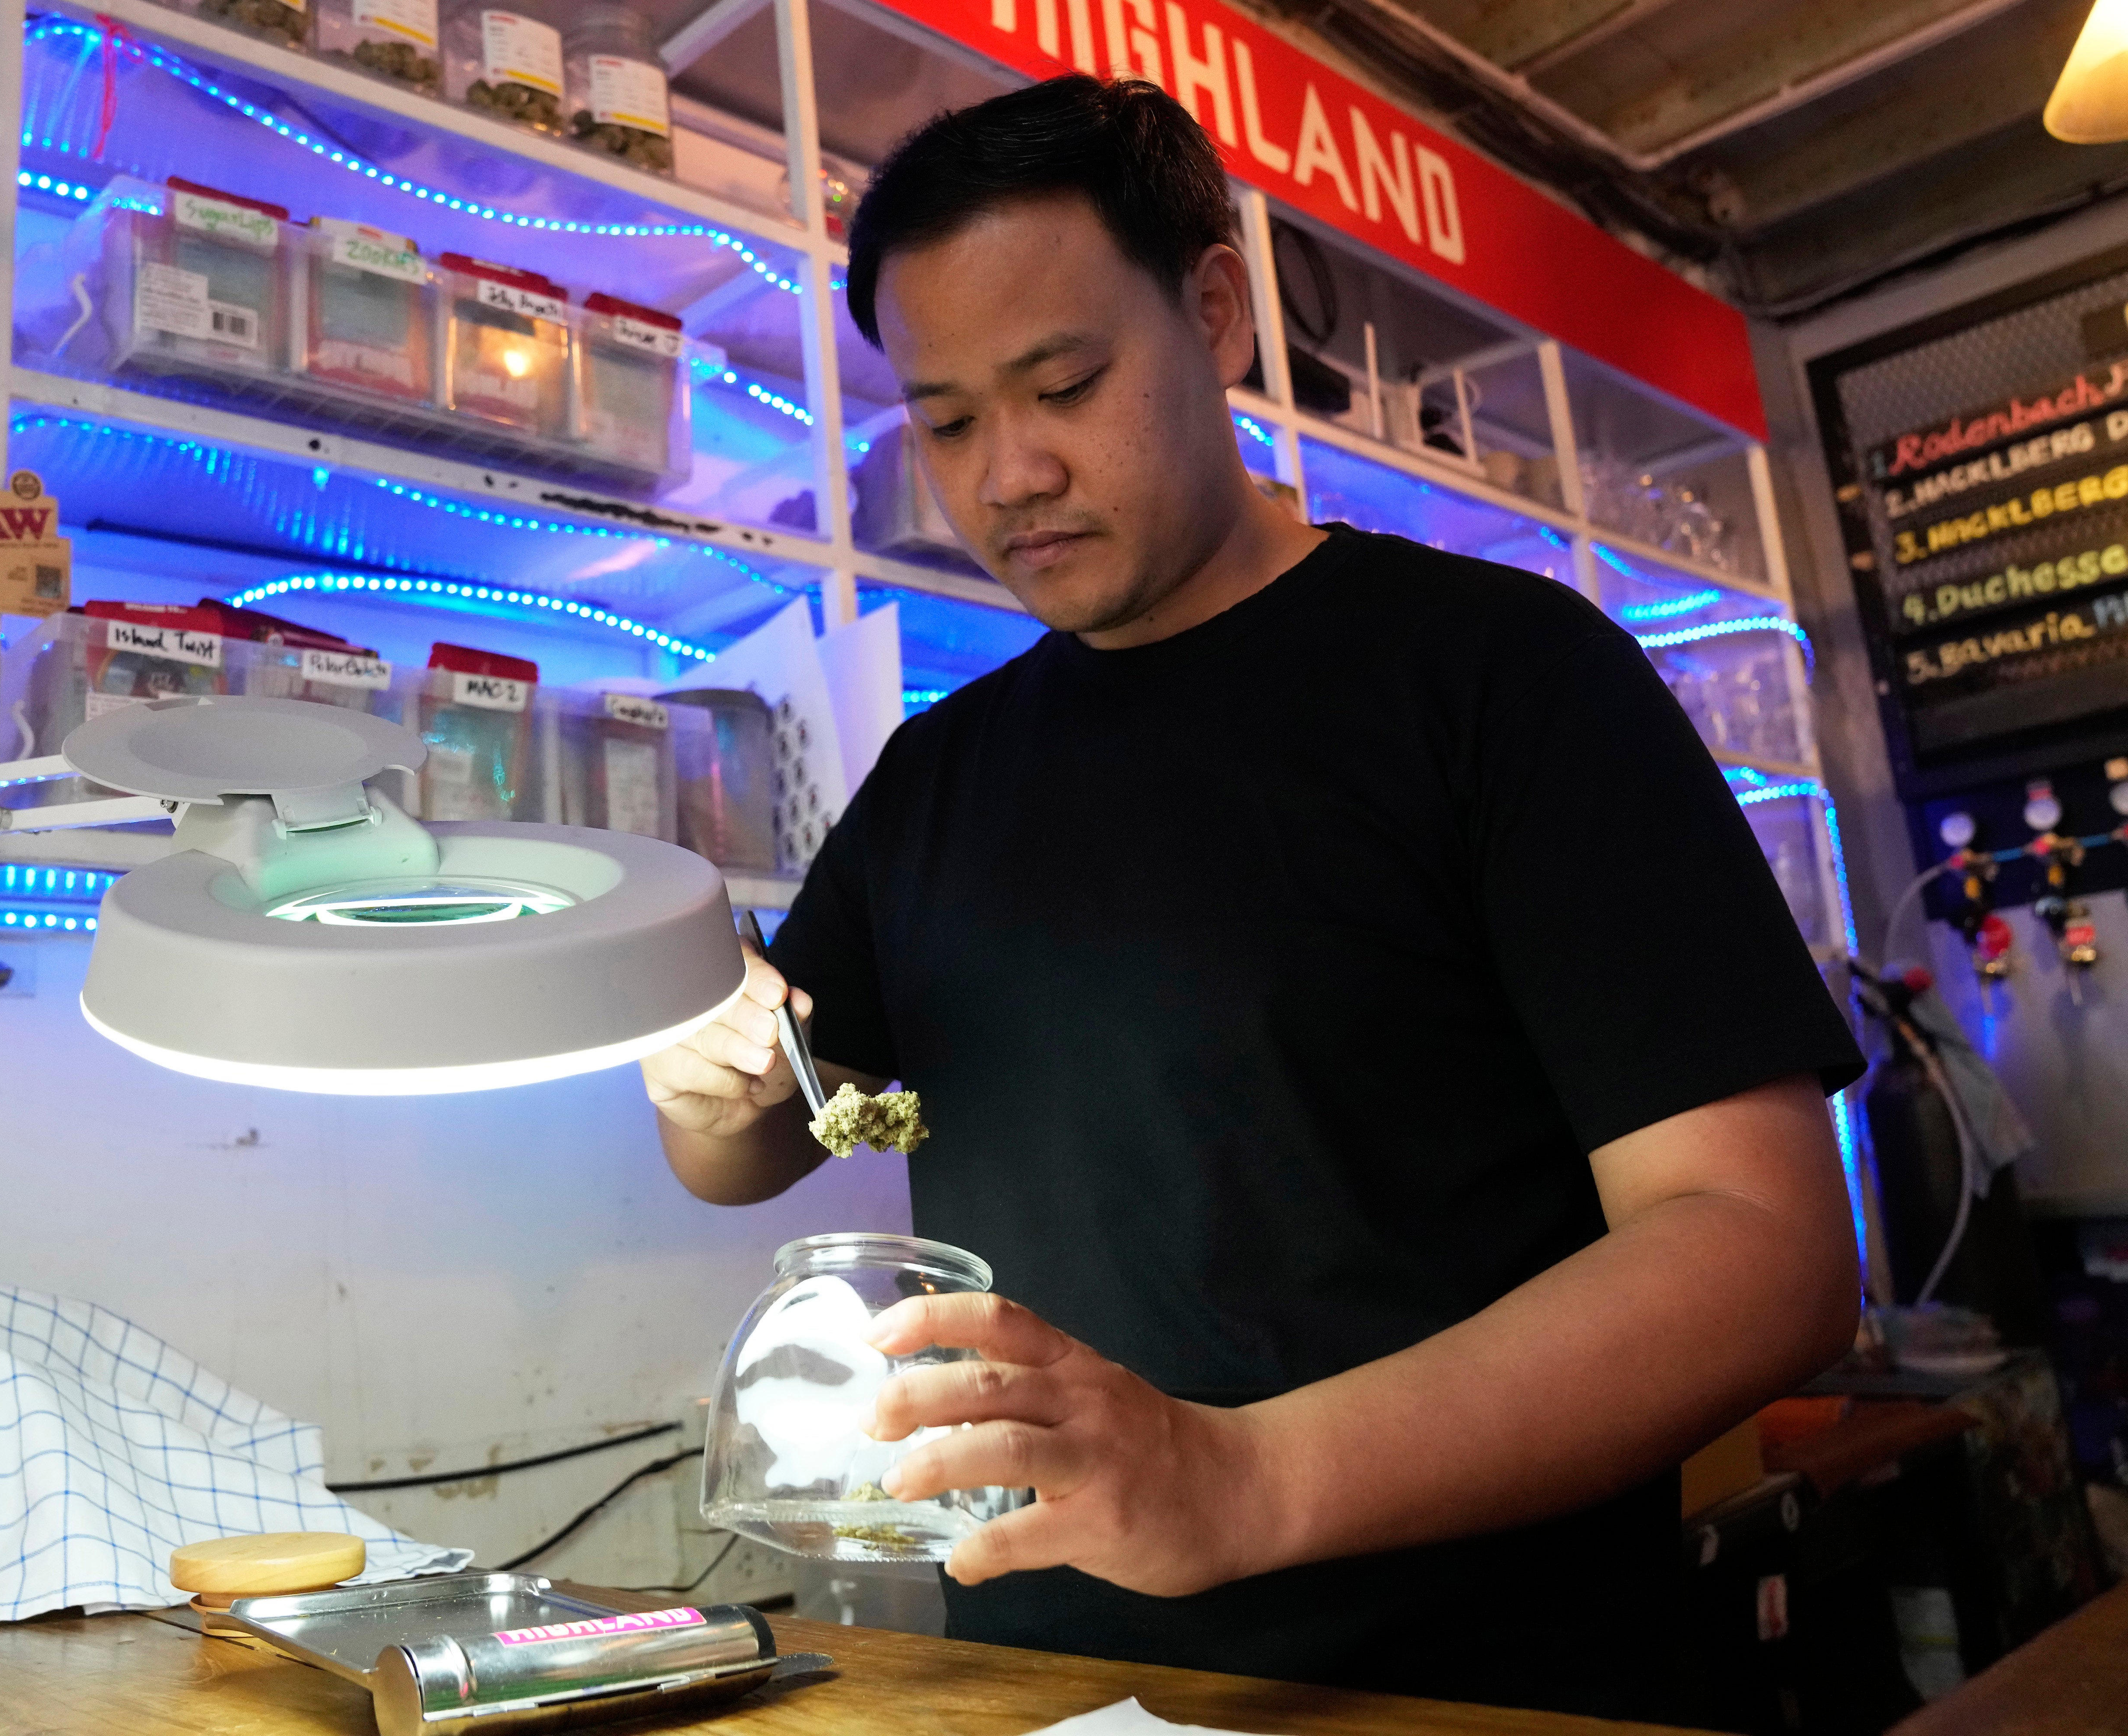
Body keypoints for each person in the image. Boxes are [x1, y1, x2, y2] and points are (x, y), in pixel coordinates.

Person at [640, 76, 1863, 1720]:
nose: (1007, 474)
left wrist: (1243, 1481)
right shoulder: (943, 776)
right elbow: (759, 1144)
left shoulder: (1497, 679)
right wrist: (703, 1072)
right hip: (1047, 1690)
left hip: (1477, 1689)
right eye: (943, 420)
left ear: (1214, 309)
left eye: (1063, 383)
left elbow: (1761, 1247)